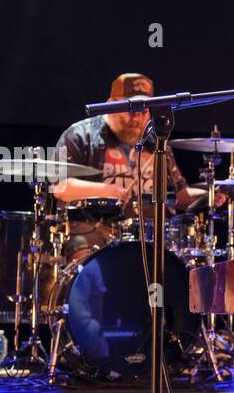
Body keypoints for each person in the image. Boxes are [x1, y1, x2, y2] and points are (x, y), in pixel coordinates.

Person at [52, 73, 216, 258]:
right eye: (131, 109)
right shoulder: (80, 136)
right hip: (92, 230)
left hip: (149, 236)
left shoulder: (158, 144)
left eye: (144, 111)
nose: (137, 117)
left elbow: (178, 195)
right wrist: (108, 190)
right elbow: (60, 186)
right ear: (110, 104)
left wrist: (210, 194)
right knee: (87, 261)